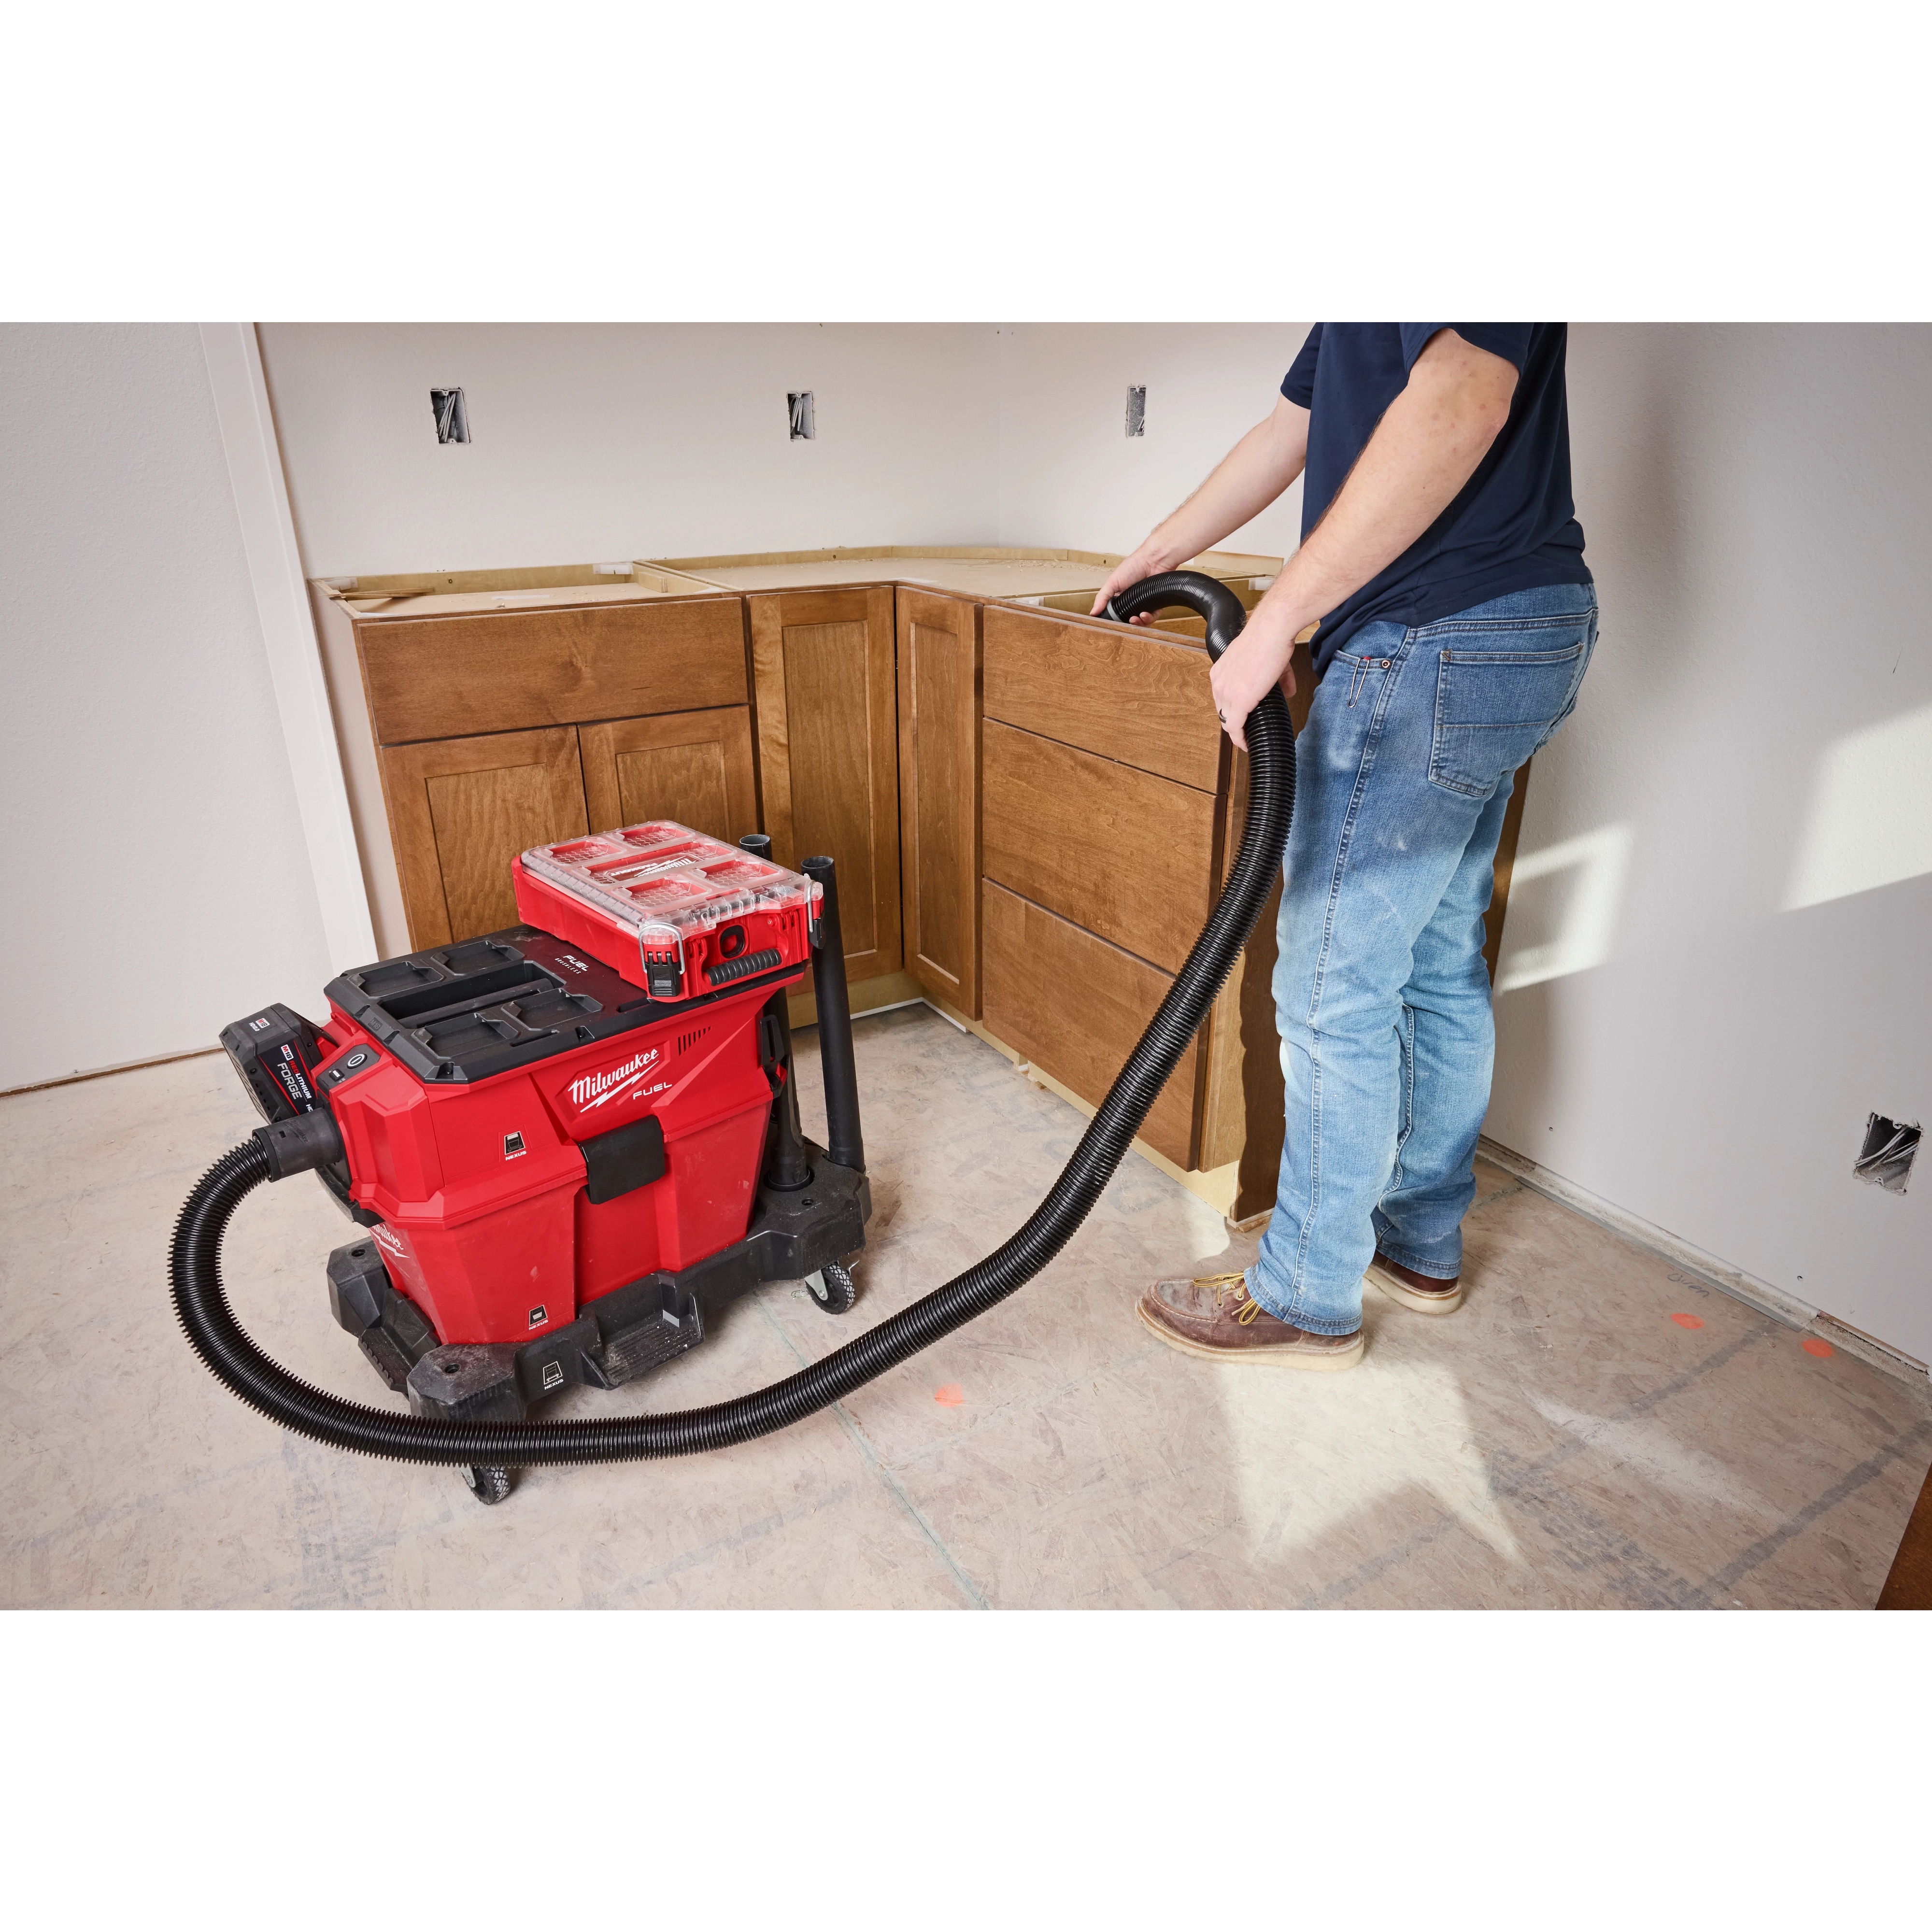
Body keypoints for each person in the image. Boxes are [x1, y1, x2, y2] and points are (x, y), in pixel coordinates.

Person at [1094, 323, 1597, 1370]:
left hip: (1430, 634)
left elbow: (1462, 399)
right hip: (1515, 624)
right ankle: (1418, 1243)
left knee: (1333, 988)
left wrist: (1277, 620)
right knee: (1436, 962)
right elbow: (1288, 429)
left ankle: (1305, 1292)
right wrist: (1160, 552)